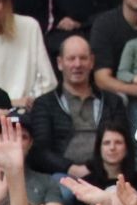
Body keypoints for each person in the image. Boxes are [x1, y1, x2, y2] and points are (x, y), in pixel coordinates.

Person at [27, 35, 130, 181]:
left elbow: (124, 141)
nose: (77, 64)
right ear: (60, 63)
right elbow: (40, 151)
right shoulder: (45, 104)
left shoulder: (112, 102)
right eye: (71, 58)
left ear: (92, 62)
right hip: (63, 175)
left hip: (108, 170)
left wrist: (96, 167)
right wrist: (70, 168)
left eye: (83, 58)